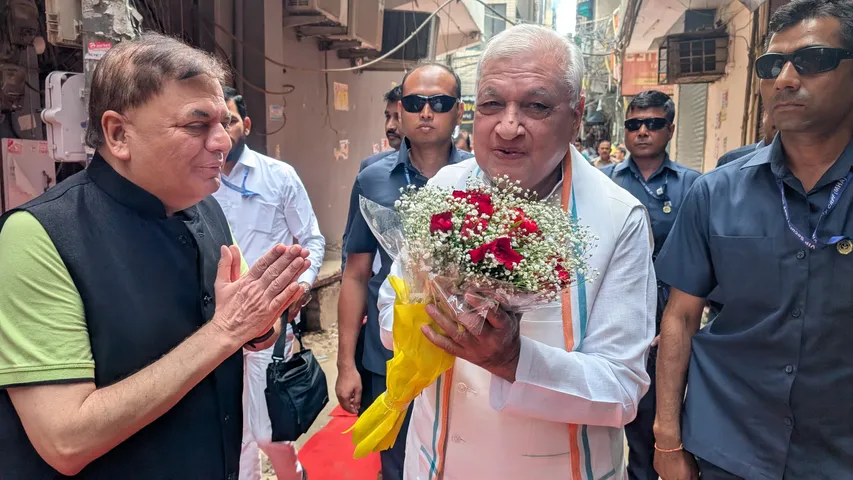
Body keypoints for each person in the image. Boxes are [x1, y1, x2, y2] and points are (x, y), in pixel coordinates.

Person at [0, 33, 311, 478]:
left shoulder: (206, 210)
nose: (223, 141)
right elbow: (64, 440)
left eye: (223, 122)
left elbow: (245, 321)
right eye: (196, 125)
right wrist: (225, 331)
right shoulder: (40, 235)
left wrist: (259, 327)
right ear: (119, 133)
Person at [377, 24, 656, 479]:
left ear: (576, 115)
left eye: (536, 106)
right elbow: (390, 313)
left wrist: (511, 359)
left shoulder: (617, 217)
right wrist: (435, 316)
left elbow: (622, 391)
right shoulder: (444, 190)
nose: (508, 126)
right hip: (435, 462)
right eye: (492, 104)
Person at [654, 1, 853, 478]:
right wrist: (666, 438)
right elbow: (681, 316)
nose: (784, 78)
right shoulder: (715, 192)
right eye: (770, 65)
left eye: (813, 60)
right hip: (729, 442)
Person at [337, 62, 473, 480]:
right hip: (390, 353)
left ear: (459, 110)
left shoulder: (480, 177)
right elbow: (356, 273)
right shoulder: (373, 177)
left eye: (440, 102)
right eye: (415, 103)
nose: (426, 112)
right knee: (396, 465)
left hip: (465, 354)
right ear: (401, 109)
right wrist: (346, 363)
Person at [213, 88, 325, 480]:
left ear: (245, 124)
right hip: (215, 328)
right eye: (210, 122)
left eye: (227, 120)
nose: (220, 131)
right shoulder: (194, 183)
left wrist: (302, 288)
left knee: (268, 432)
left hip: (269, 323)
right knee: (232, 431)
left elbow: (311, 239)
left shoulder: (278, 177)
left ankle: (293, 474)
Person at [599, 90, 700, 480]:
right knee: (607, 416)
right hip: (612, 315)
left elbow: (699, 264)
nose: (643, 131)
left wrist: (672, 324)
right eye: (634, 124)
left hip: (667, 323)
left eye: (653, 124)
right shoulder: (603, 181)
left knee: (657, 424)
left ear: (670, 129)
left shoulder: (692, 186)